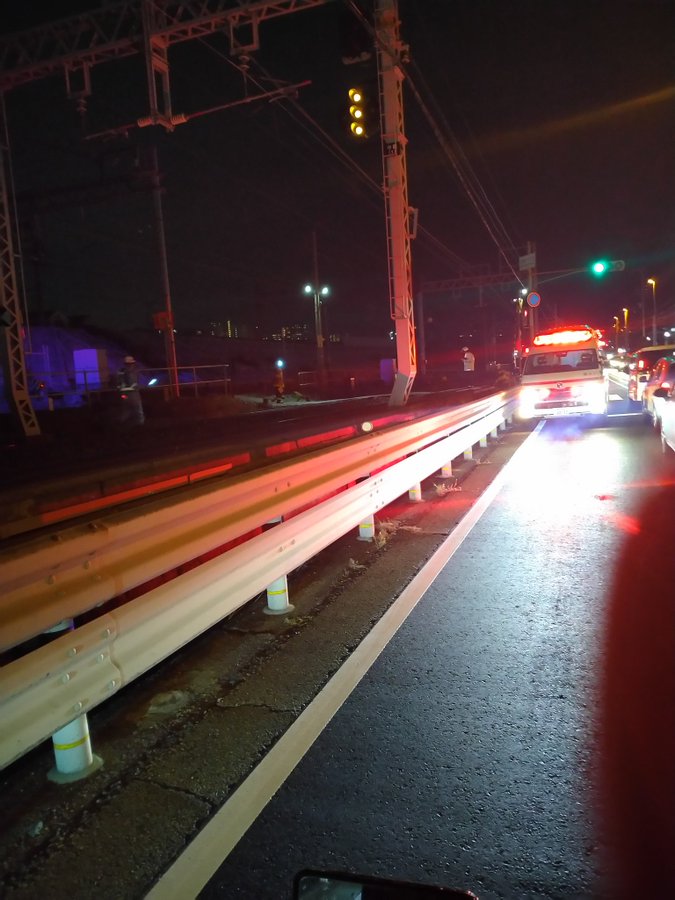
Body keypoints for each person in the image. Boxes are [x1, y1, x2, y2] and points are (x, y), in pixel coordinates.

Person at [117, 355, 145, 425]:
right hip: (132, 393)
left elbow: (119, 385)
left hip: (126, 394)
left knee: (127, 410)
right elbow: (136, 383)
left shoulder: (121, 372)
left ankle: (123, 424)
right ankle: (140, 424)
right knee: (137, 409)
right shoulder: (132, 372)